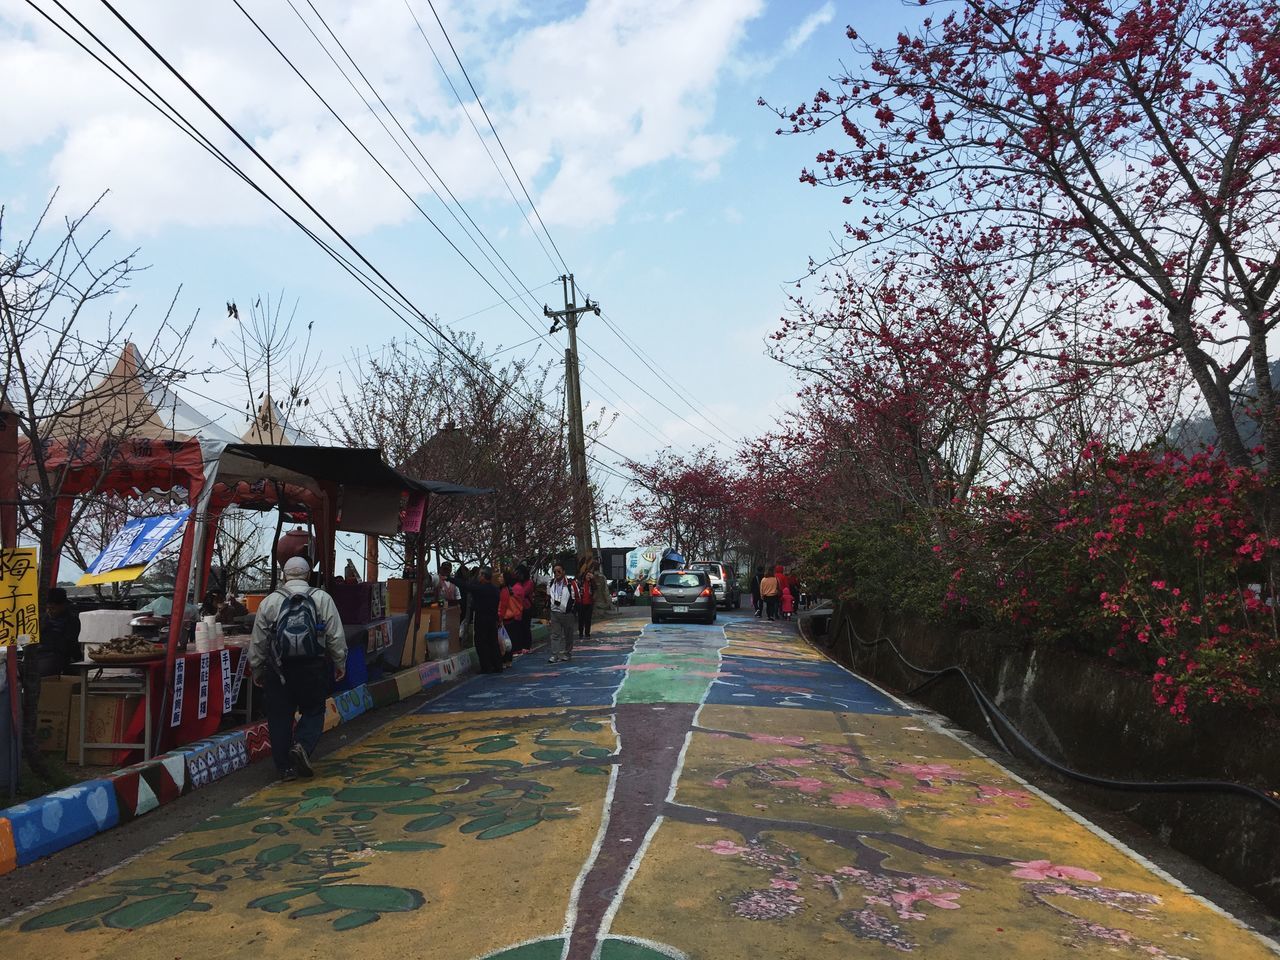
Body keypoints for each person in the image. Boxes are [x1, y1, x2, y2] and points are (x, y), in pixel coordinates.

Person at [250, 557, 347, 781]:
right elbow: (335, 635)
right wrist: (340, 662)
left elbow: (258, 641)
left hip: (279, 669)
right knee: (314, 710)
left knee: (279, 716)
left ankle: (284, 768)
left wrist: (257, 668)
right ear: (308, 575)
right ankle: (302, 745)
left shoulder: (270, 602)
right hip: (313, 667)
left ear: (284, 575)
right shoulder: (322, 598)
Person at [469, 567, 502, 674]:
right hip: (492, 618)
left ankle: (486, 666)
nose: (478, 577)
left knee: (481, 642)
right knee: (493, 642)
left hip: (482, 618)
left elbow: (466, 586)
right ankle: (497, 665)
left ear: (483, 576)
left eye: (480, 575)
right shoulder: (495, 589)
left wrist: (450, 579)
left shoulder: (481, 589)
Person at [546, 564, 576, 663]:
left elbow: (575, 597)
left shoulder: (570, 584)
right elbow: (548, 597)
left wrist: (570, 609)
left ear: (563, 572)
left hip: (567, 613)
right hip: (554, 613)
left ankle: (567, 653)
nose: (556, 574)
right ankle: (555, 655)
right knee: (555, 635)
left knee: (568, 635)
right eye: (554, 572)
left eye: (559, 571)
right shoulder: (550, 583)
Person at [575, 563, 595, 640]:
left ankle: (587, 634)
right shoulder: (580, 583)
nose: (588, 577)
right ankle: (580, 633)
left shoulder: (591, 583)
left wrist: (593, 579)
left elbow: (595, 587)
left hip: (589, 604)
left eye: (590, 575)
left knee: (588, 620)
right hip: (581, 603)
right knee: (581, 619)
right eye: (587, 575)